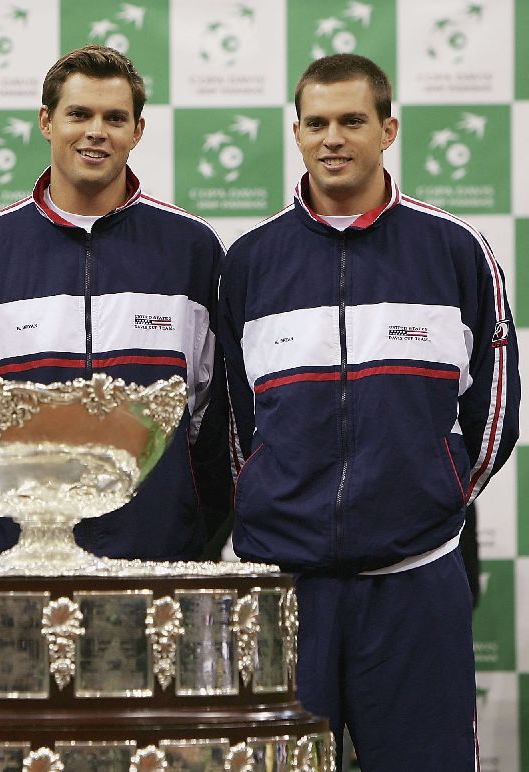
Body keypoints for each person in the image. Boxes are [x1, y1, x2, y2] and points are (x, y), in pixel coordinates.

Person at [218, 54, 518, 769]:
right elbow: (230, 425)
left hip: (416, 580)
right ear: (296, 134)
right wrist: (277, 506)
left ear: (387, 128)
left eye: (352, 121)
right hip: (285, 587)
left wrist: (430, 497)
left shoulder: (456, 250)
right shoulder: (250, 262)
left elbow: (495, 415)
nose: (333, 138)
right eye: (316, 123)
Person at [0, 45, 231, 561]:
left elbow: (211, 423)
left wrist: (191, 532)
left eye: (115, 118)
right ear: (46, 122)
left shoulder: (192, 248)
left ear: (137, 131)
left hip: (156, 558)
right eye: (79, 114)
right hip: (15, 565)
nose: (96, 131)